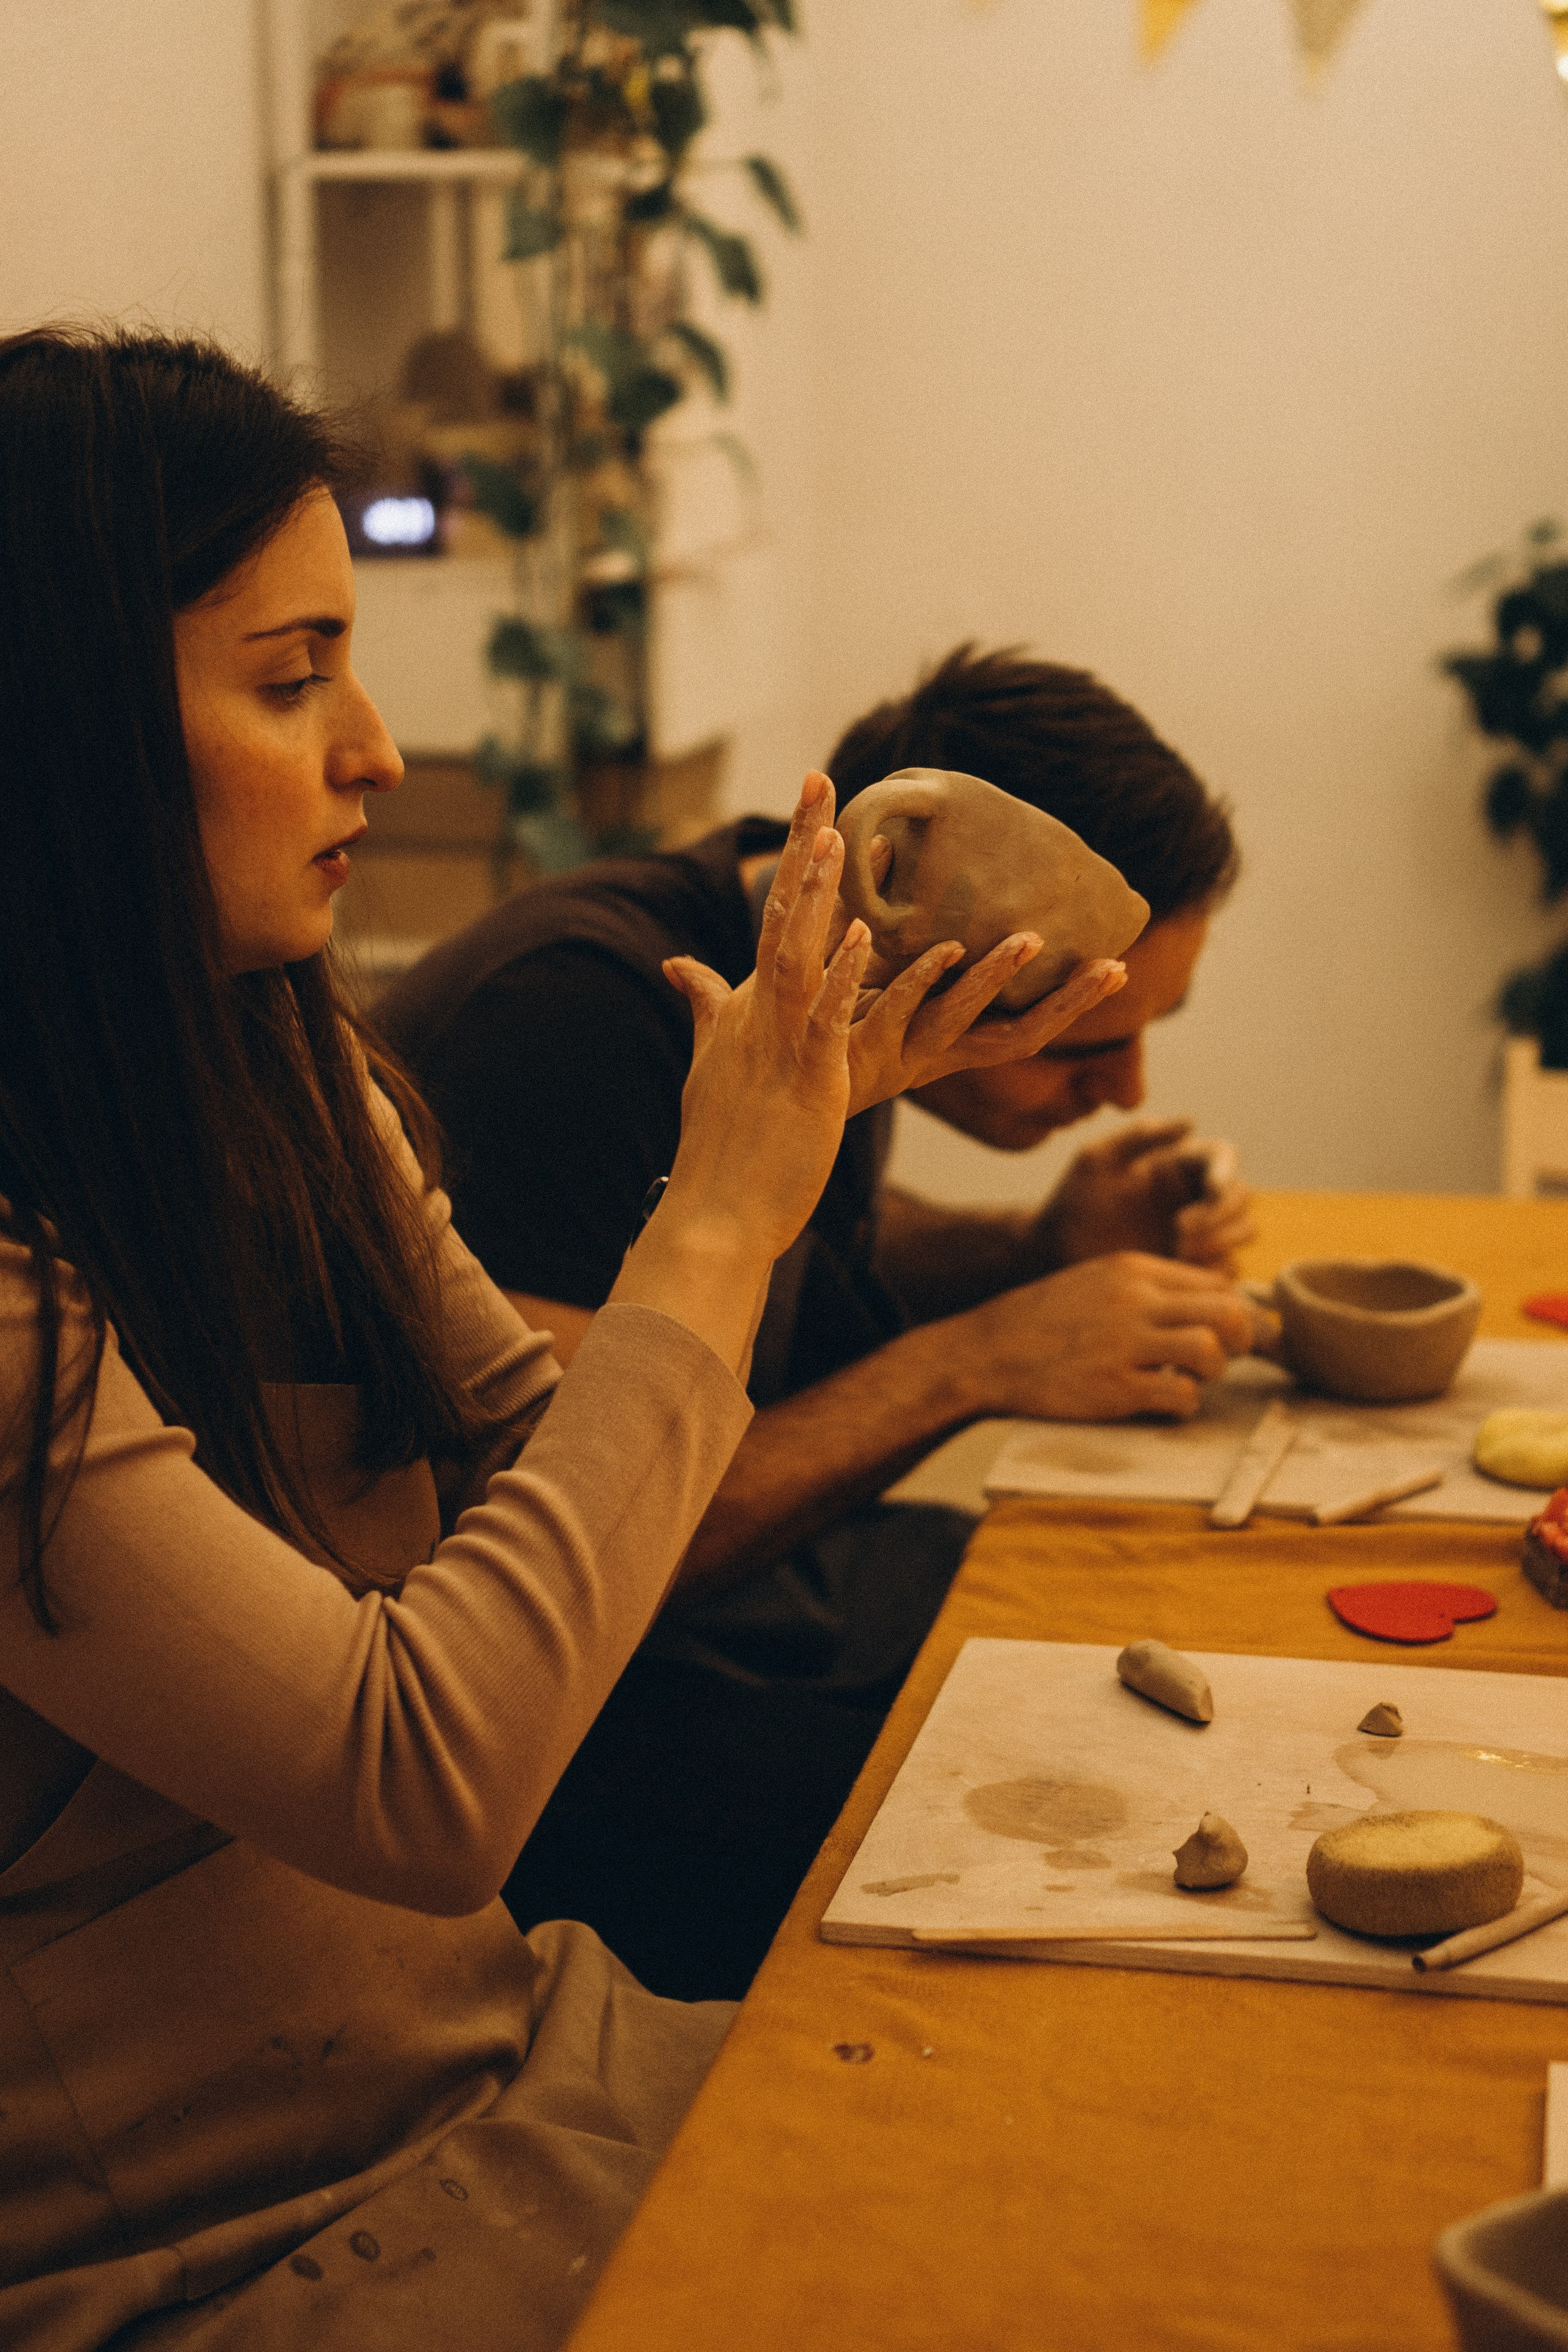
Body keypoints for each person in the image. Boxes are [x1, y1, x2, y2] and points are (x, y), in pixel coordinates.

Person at [0, 331, 1109, 2351]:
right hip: (229, 2242)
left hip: (502, 2049)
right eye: (289, 679)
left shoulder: (280, 1074)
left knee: (1105, 2137)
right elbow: (417, 1784)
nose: (376, 749)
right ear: (57, 735)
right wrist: (724, 1210)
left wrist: (790, 1141)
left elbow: (555, 1460)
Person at [375, 649, 1261, 2002]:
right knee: (1068, 1820)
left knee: (1134, 1615)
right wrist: (979, 1360)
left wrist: (1026, 1253)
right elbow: (594, 1539)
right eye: (1084, 1041)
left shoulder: (816, 937)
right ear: (900, 883)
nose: (1127, 1091)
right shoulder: (584, 1017)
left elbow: (812, 1242)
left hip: (736, 1614)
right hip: (551, 1741)